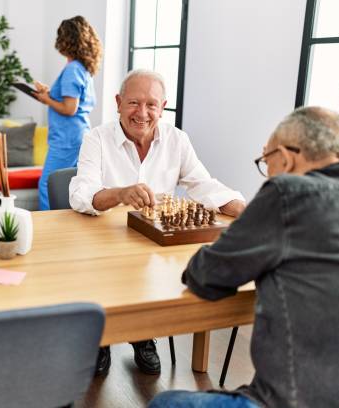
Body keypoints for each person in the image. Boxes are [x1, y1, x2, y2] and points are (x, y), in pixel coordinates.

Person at [149, 107, 339, 408]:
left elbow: (204, 276)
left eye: (265, 161)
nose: (267, 171)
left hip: (292, 402)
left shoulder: (287, 193)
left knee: (164, 403)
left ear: (285, 158)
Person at [69, 69, 246, 376]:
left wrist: (243, 209)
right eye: (134, 103)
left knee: (160, 269)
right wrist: (121, 194)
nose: (142, 113)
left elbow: (203, 185)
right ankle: (101, 338)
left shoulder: (177, 140)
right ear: (118, 102)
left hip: (153, 241)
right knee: (105, 270)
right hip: (104, 241)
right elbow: (81, 193)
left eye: (151, 104)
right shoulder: (96, 138)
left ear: (163, 106)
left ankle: (143, 335)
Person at [34, 15, 103, 210]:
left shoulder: (72, 69)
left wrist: (46, 98)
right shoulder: (82, 69)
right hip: (76, 134)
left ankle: (48, 231)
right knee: (68, 185)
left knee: (47, 185)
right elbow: (72, 102)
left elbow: (70, 108)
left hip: (66, 138)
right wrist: (49, 93)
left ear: (67, 39)